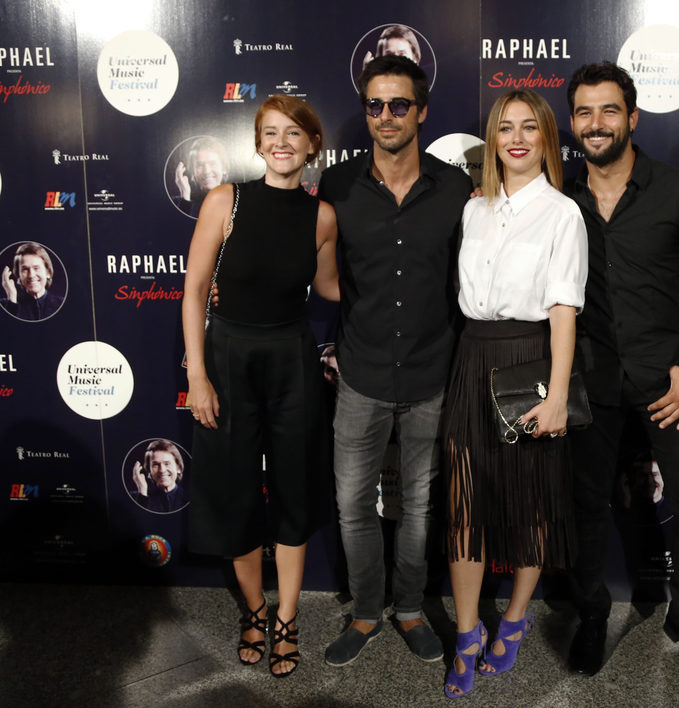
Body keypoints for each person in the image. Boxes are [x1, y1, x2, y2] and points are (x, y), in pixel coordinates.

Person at [564, 62, 679, 680]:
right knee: (583, 507)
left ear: (632, 117)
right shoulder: (556, 196)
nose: (596, 123)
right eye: (584, 112)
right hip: (585, 380)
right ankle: (589, 614)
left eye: (609, 110)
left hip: (668, 382)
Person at [318, 55, 471, 667]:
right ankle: (364, 611)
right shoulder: (337, 187)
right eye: (375, 105)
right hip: (360, 373)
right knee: (354, 503)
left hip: (435, 373)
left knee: (418, 505)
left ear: (421, 111)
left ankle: (409, 608)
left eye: (399, 104)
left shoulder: (456, 188)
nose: (385, 116)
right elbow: (308, 266)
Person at [182, 94, 338, 677]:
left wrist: (408, 284)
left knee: (295, 491)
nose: (281, 142)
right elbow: (195, 290)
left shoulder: (321, 216)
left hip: (292, 358)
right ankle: (253, 610)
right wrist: (198, 375)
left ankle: (288, 617)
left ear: (311, 145)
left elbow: (328, 288)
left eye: (293, 133)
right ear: (257, 142)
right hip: (227, 358)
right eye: (270, 132)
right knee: (235, 491)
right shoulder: (227, 200)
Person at [442, 89, 587, 698]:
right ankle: (468, 632)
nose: (517, 138)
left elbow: (563, 310)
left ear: (547, 139)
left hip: (531, 358)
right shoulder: (474, 209)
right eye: (506, 127)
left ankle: (517, 617)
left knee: (529, 501)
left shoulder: (563, 213)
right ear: (493, 140)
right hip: (472, 358)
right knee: (464, 503)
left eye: (530, 127)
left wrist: (556, 395)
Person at [1, 242, 64, 321]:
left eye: (36, 268)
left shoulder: (61, 304)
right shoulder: (4, 305)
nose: (31, 275)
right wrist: (12, 301)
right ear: (18, 275)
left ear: (48, 272)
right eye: (25, 269)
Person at [173, 136, 230, 217]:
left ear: (224, 168)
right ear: (193, 172)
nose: (206, 171)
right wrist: (185, 197)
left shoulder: (239, 201)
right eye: (199, 165)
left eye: (212, 164)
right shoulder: (177, 202)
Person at [131, 439, 189, 513]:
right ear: (149, 471)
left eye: (167, 464)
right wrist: (142, 494)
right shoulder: (136, 497)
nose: (162, 470)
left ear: (179, 468)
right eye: (155, 465)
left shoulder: (191, 497)